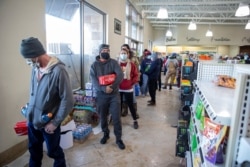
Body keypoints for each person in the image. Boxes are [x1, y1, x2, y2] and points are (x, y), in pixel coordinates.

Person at [19, 37, 74, 167]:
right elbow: (35, 93)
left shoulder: (58, 71)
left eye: (28, 58)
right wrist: (29, 110)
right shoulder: (35, 68)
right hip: (33, 121)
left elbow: (68, 100)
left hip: (48, 123)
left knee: (54, 152)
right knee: (34, 151)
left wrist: (55, 123)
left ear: (35, 54)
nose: (28, 61)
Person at [90, 44, 125, 150]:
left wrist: (112, 86)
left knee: (116, 117)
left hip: (114, 95)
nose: (106, 52)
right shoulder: (94, 65)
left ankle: (119, 139)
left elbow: (120, 75)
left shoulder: (113, 62)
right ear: (100, 51)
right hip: (101, 95)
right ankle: (106, 134)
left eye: (108, 50)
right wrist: (104, 89)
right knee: (103, 117)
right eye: (104, 50)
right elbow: (94, 80)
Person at [118, 48, 139, 129]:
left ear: (128, 54)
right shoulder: (117, 64)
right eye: (122, 53)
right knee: (118, 105)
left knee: (130, 105)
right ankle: (118, 121)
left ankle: (135, 120)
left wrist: (131, 83)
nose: (123, 55)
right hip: (118, 88)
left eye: (125, 53)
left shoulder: (132, 64)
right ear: (119, 54)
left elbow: (136, 75)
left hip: (128, 88)